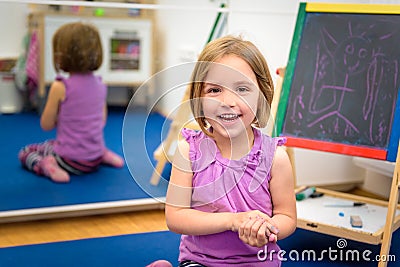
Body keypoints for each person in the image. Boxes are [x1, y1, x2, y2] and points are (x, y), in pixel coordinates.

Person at [163, 35, 297, 266]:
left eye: (242, 88)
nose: (228, 101)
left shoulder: (276, 157)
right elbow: (175, 217)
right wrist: (232, 221)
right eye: (215, 90)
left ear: (261, 97)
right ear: (199, 98)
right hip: (201, 261)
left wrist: (267, 229)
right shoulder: (188, 151)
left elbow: (287, 217)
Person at [18, 22, 124, 183]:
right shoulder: (101, 84)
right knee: (59, 142)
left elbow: (46, 125)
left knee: (26, 151)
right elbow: (101, 120)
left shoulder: (60, 87)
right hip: (93, 159)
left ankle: (46, 165)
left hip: (68, 160)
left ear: (61, 56)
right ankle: (102, 153)